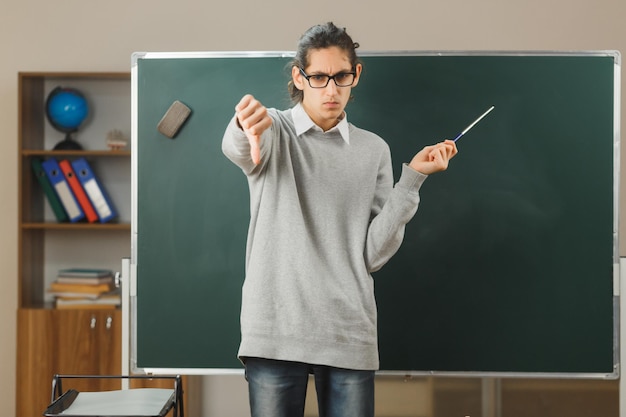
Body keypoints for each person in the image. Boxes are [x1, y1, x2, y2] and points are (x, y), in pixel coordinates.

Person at [222, 22, 457, 417]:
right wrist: (245, 126)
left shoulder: (373, 150)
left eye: (341, 76)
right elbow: (240, 147)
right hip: (276, 330)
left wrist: (412, 180)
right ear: (300, 77)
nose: (331, 89)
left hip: (347, 331)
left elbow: (372, 255)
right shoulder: (275, 130)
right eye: (318, 77)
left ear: (356, 74)